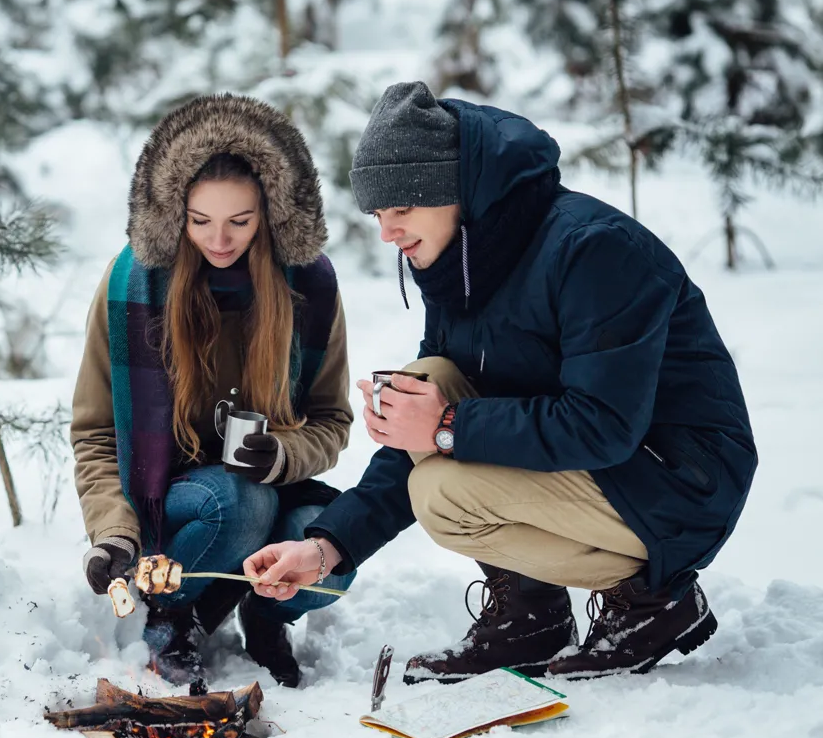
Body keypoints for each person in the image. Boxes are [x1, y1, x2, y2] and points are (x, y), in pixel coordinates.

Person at [242, 81, 757, 682]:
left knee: (443, 492)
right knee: (427, 381)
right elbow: (426, 423)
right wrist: (327, 547)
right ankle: (530, 614)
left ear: (452, 190)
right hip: (610, 471)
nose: (388, 233)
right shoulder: (460, 259)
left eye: (401, 209)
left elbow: (606, 423)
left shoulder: (592, 250)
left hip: (679, 478)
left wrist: (448, 426)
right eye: (378, 214)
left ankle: (653, 603)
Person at [70, 94, 355, 687]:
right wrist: (113, 533)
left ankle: (263, 612)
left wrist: (281, 455)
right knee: (235, 500)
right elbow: (96, 430)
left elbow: (331, 421)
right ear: (176, 212)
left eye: (240, 222)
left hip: (272, 487)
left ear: (271, 214)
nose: (219, 240)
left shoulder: (311, 288)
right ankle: (173, 615)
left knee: (333, 555)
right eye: (200, 221)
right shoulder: (133, 285)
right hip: (169, 507)